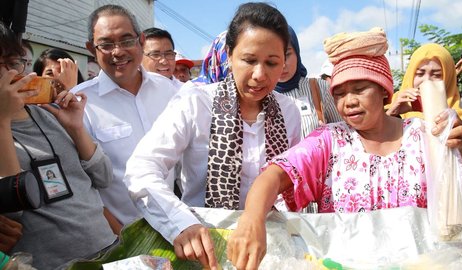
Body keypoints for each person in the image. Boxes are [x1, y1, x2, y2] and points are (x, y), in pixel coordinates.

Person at [227, 28, 462, 269]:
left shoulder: (422, 134)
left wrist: (456, 148)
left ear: (383, 90)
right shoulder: (329, 141)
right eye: (340, 93)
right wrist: (252, 220)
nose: (349, 102)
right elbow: (273, 175)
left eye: (359, 89)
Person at [124, 3, 301, 269]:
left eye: (272, 63)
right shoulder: (195, 103)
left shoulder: (289, 112)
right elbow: (142, 168)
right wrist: (181, 224)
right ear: (229, 55)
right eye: (249, 60)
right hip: (203, 246)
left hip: (269, 247)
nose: (259, 75)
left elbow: (290, 182)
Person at [0, 21, 116, 269]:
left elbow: (104, 177)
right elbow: (12, 213)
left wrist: (76, 126)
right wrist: (2, 120)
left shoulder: (49, 113)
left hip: (109, 251)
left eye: (13, 63)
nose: (7, 75)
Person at [71, 4, 179, 233]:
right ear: (92, 49)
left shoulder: (169, 91)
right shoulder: (79, 104)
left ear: (140, 40)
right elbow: (81, 182)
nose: (117, 51)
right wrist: (121, 237)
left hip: (176, 226)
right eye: (106, 44)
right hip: (118, 237)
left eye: (126, 40)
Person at [275, 25, 341, 138]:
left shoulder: (320, 88)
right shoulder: (260, 96)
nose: (283, 64)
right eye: (274, 58)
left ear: (297, 52)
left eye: (287, 54)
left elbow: (342, 133)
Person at [386, 43, 462, 119]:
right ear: (410, 76)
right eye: (420, 74)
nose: (427, 81)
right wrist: (391, 114)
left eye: (436, 75)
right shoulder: (388, 110)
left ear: (448, 80)